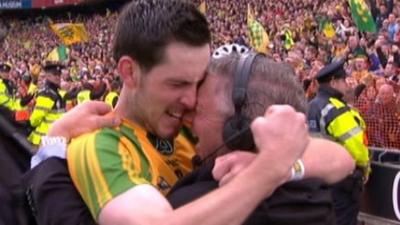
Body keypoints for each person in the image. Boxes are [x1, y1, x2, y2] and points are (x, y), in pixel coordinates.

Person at [307, 59, 370, 225]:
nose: (346, 85)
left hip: (316, 179)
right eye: (343, 81)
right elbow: (356, 148)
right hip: (342, 179)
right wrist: (365, 168)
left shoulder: (311, 106)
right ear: (334, 82)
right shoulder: (336, 109)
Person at [28, 62, 67, 146]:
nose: (58, 77)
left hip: (55, 139)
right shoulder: (47, 94)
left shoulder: (56, 92)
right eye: (55, 74)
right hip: (45, 140)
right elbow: (35, 120)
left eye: (59, 75)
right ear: (48, 76)